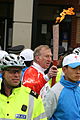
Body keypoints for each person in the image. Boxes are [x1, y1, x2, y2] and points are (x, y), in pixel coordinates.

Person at [0, 54, 47, 120]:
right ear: (2, 73)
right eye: (12, 72)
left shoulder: (32, 97)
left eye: (19, 71)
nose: (16, 75)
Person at [43, 53, 80, 120]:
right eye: (74, 68)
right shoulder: (55, 92)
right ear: (64, 70)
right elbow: (44, 116)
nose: (78, 72)